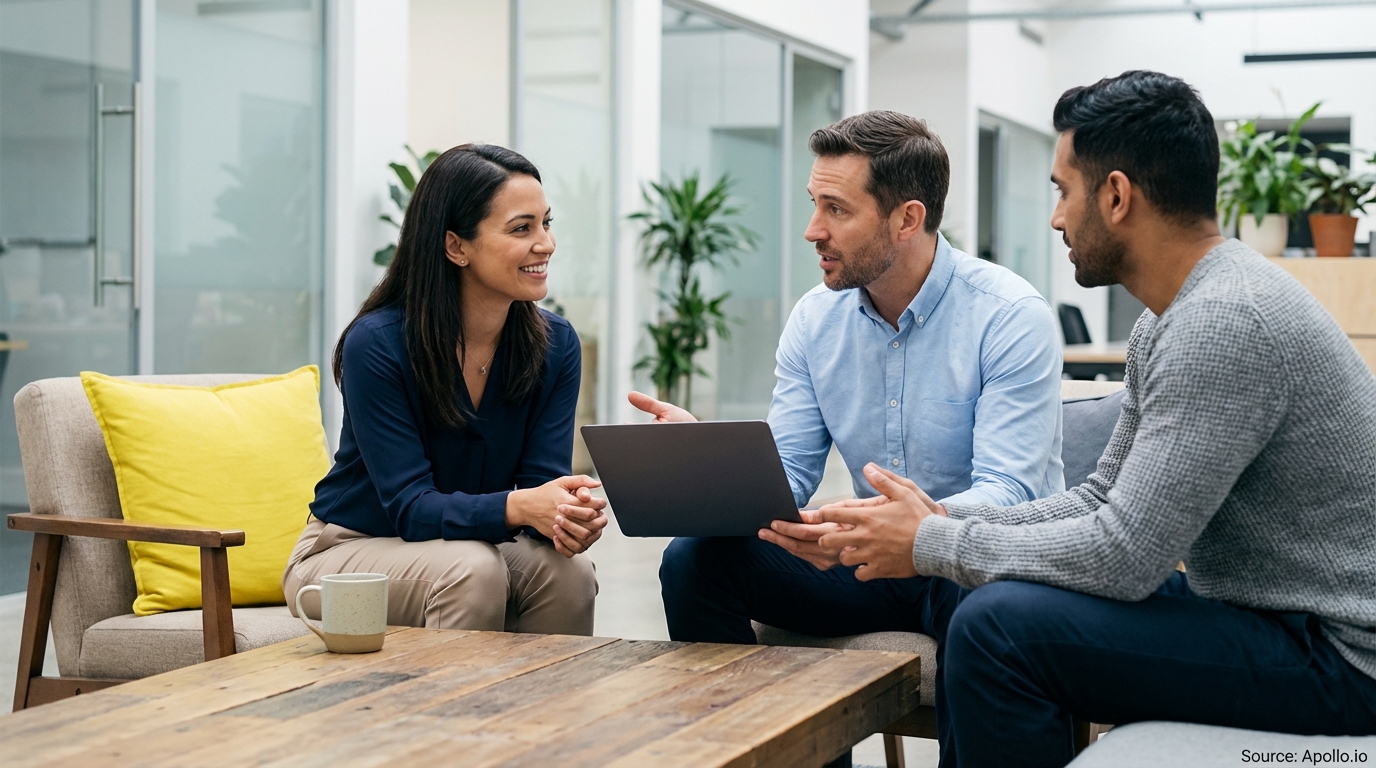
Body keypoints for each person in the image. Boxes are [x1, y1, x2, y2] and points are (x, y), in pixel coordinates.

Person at [808, 71, 1376, 767]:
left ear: (1115, 196)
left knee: (998, 628)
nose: (1055, 217)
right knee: (1000, 601)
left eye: (1062, 191)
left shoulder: (1223, 322)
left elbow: (1124, 555)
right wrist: (944, 525)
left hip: (1340, 659)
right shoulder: (1178, 316)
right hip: (1264, 614)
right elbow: (1099, 498)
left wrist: (931, 544)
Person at [637, 111, 1064, 645]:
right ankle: (736, 727)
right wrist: (710, 466)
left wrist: (905, 529)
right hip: (871, 565)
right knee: (694, 560)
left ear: (907, 219)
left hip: (970, 562)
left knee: (978, 599)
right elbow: (789, 473)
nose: (813, 230)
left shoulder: (1009, 315)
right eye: (815, 204)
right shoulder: (816, 319)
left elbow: (1010, 493)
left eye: (836, 209)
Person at [285, 144, 604, 635]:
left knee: (567, 573)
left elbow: (541, 482)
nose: (546, 243)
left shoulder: (555, 344)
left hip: (474, 546)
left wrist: (565, 517)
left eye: (546, 223)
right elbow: (411, 508)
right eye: (522, 228)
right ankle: (446, 714)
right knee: (472, 571)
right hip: (349, 547)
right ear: (457, 246)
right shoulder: (378, 344)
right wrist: (521, 507)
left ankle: (545, 713)